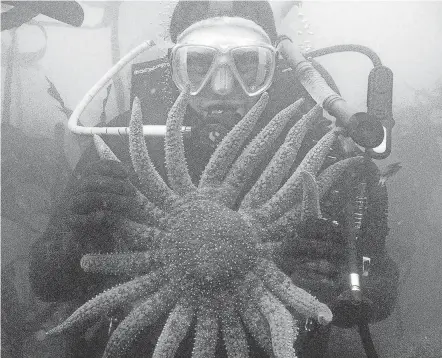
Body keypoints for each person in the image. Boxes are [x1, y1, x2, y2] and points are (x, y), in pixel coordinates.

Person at [29, 1, 399, 357]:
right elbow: (46, 282)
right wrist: (74, 236)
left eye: (247, 63)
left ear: (274, 68)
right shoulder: (123, 144)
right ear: (175, 67)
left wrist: (333, 286)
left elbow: (380, 288)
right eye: (199, 63)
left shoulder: (328, 154)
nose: (222, 86)